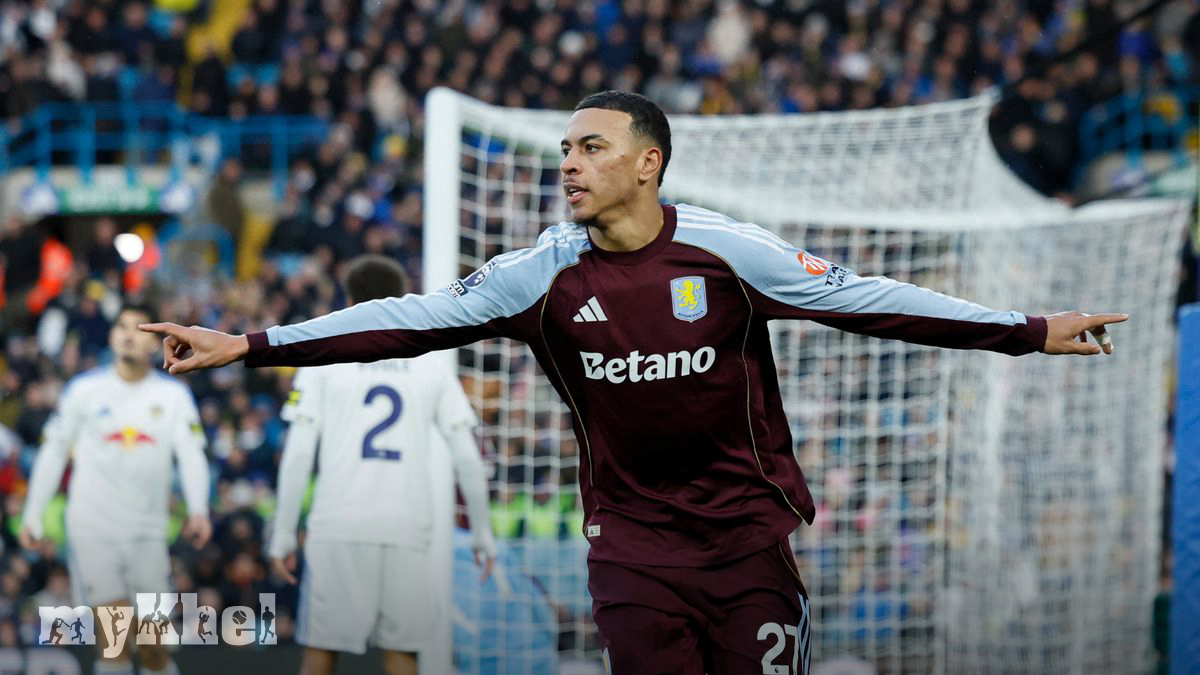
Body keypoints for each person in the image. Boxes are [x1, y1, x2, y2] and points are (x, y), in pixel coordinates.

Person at [142, 91, 1129, 674]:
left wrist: (1028, 331)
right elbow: (408, 317)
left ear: (648, 163)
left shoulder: (730, 253)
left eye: (591, 148)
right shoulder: (540, 273)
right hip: (633, 550)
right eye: (565, 150)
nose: (569, 165)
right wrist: (251, 344)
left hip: (747, 541)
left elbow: (867, 300)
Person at [266, 255, 496, 675]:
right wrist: (482, 532)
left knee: (321, 653)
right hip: (407, 528)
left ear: (348, 300)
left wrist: (283, 533)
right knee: (402, 655)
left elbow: (298, 453)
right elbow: (467, 457)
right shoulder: (431, 362)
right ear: (401, 298)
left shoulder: (322, 357)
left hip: (339, 526)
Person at [24, 302, 212, 675]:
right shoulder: (84, 390)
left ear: (155, 343)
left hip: (148, 533)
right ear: (111, 336)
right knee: (115, 639)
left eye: (139, 330)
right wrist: (33, 512)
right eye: (122, 327)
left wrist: (198, 510)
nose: (128, 335)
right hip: (93, 529)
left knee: (154, 646)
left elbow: (192, 455)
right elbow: (54, 450)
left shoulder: (173, 397)